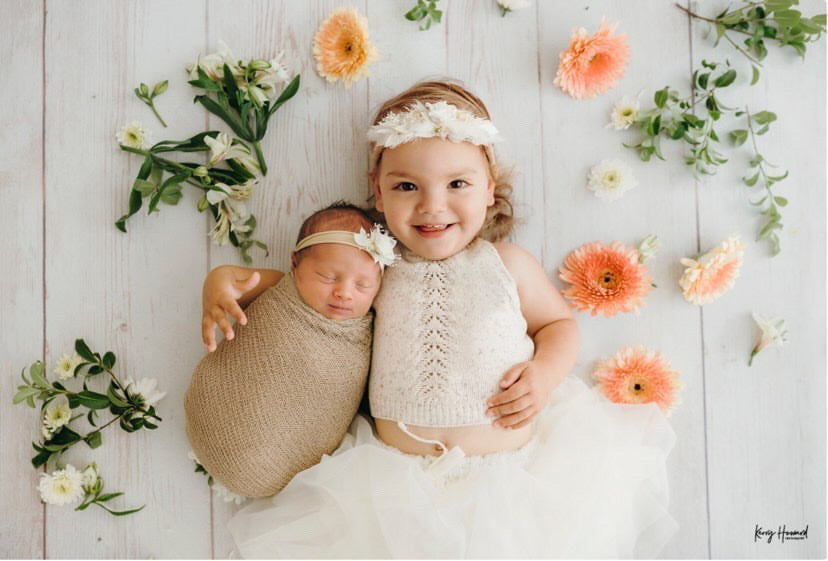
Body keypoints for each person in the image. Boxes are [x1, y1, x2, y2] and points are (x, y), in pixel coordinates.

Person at [210, 80, 678, 558]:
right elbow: (308, 282)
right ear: (378, 190)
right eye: (407, 186)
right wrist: (227, 279)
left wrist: (544, 374)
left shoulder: (507, 264)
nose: (432, 205)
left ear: (488, 188)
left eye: (457, 184)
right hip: (396, 486)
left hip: (510, 478)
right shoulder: (376, 269)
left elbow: (559, 326)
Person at [186, 201, 396, 498]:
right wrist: (216, 290)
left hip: (290, 465)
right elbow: (229, 278)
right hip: (223, 413)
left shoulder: (372, 328)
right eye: (328, 277)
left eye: (363, 285)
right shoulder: (279, 285)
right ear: (295, 263)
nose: (344, 293)